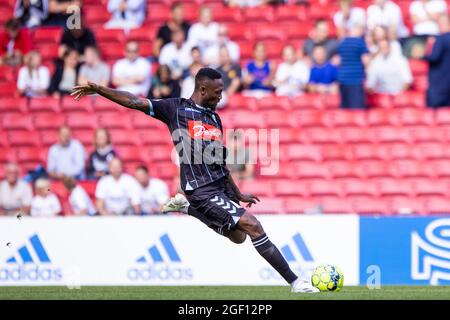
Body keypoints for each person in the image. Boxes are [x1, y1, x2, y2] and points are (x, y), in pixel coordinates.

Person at [71, 67, 320, 293]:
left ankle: (186, 208)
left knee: (239, 237)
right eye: (218, 91)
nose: (221, 96)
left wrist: (238, 194)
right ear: (203, 89)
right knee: (253, 225)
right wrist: (100, 90)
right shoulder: (175, 109)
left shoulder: (214, 118)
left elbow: (220, 163)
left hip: (217, 187)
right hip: (199, 188)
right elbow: (135, 101)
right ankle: (296, 282)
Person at [337, 24, 370, 109]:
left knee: (345, 108)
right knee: (357, 109)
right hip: (355, 80)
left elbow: (338, 60)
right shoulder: (360, 43)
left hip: (343, 79)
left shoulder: (342, 42)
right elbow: (366, 61)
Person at [423, 14, 450, 108]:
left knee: (434, 111)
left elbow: (434, 57)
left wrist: (423, 55)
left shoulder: (440, 39)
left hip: (439, 83)